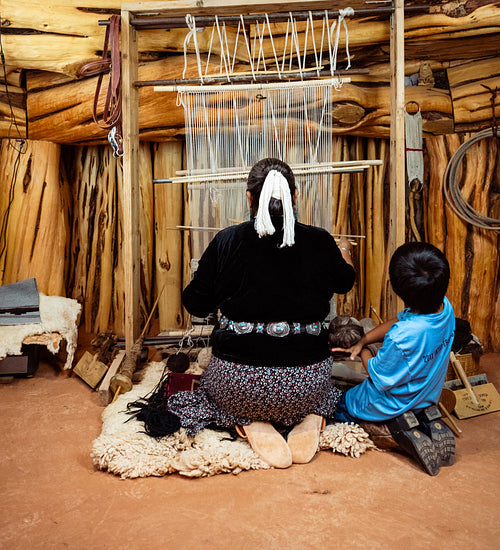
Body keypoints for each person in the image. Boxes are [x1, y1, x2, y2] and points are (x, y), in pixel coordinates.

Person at [130, 157, 355, 468]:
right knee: (326, 390)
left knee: (211, 387)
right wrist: (345, 252)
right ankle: (310, 415)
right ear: (295, 195)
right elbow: (345, 282)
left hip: (240, 386)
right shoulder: (319, 240)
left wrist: (212, 276)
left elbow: (196, 303)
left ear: (249, 197)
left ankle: (247, 419)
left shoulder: (228, 240)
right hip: (307, 384)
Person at [331, 241, 456, 476]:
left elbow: (380, 378)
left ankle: (395, 432)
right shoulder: (444, 308)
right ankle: (423, 417)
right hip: (426, 395)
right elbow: (399, 321)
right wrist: (364, 339)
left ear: (396, 289)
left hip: (390, 403)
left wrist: (362, 352)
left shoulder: (403, 337)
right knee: (403, 380)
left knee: (341, 404)